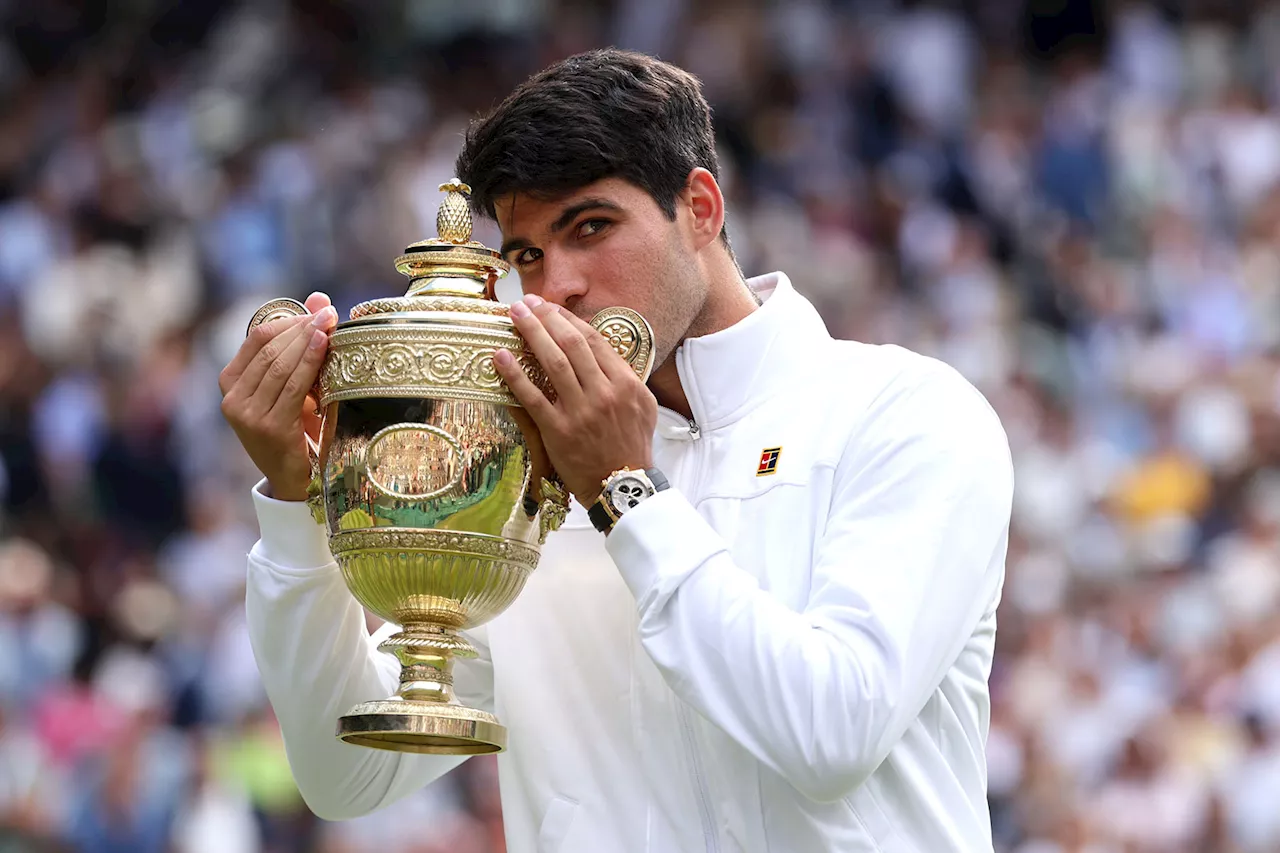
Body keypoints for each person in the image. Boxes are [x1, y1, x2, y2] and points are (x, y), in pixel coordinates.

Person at [219, 48, 1014, 852]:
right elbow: (344, 774)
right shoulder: (517, 469)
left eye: (590, 227)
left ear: (700, 208)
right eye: (525, 255)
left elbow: (833, 731)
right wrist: (294, 501)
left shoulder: (906, 413)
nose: (556, 284)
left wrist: (624, 492)